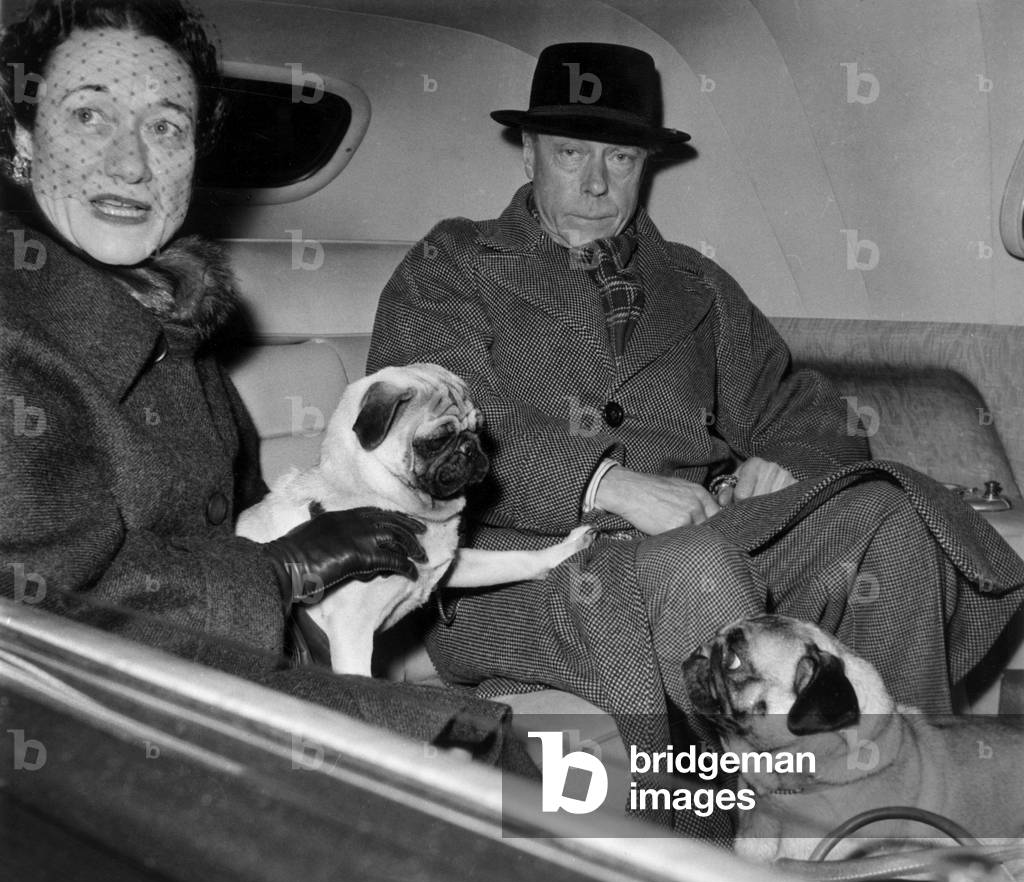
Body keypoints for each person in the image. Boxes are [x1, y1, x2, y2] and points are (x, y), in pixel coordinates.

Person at [369, 43, 1024, 835]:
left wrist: (785, 461)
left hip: (694, 540)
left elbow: (800, 406)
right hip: (507, 578)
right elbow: (427, 429)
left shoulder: (695, 283)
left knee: (884, 514)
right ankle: (711, 850)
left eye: (620, 156)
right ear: (530, 147)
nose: (596, 183)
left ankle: (896, 814)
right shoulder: (454, 263)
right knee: (700, 565)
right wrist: (603, 485)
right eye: (572, 153)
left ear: (646, 161)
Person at [0, 0, 533, 772]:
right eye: (88, 116)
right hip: (87, 727)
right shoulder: (17, 338)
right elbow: (36, 616)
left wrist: (309, 580)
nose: (130, 163)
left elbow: (238, 510)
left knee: (539, 769)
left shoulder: (169, 321)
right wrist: (281, 570)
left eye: (165, 126)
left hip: (215, 665)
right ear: (21, 140)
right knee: (512, 776)